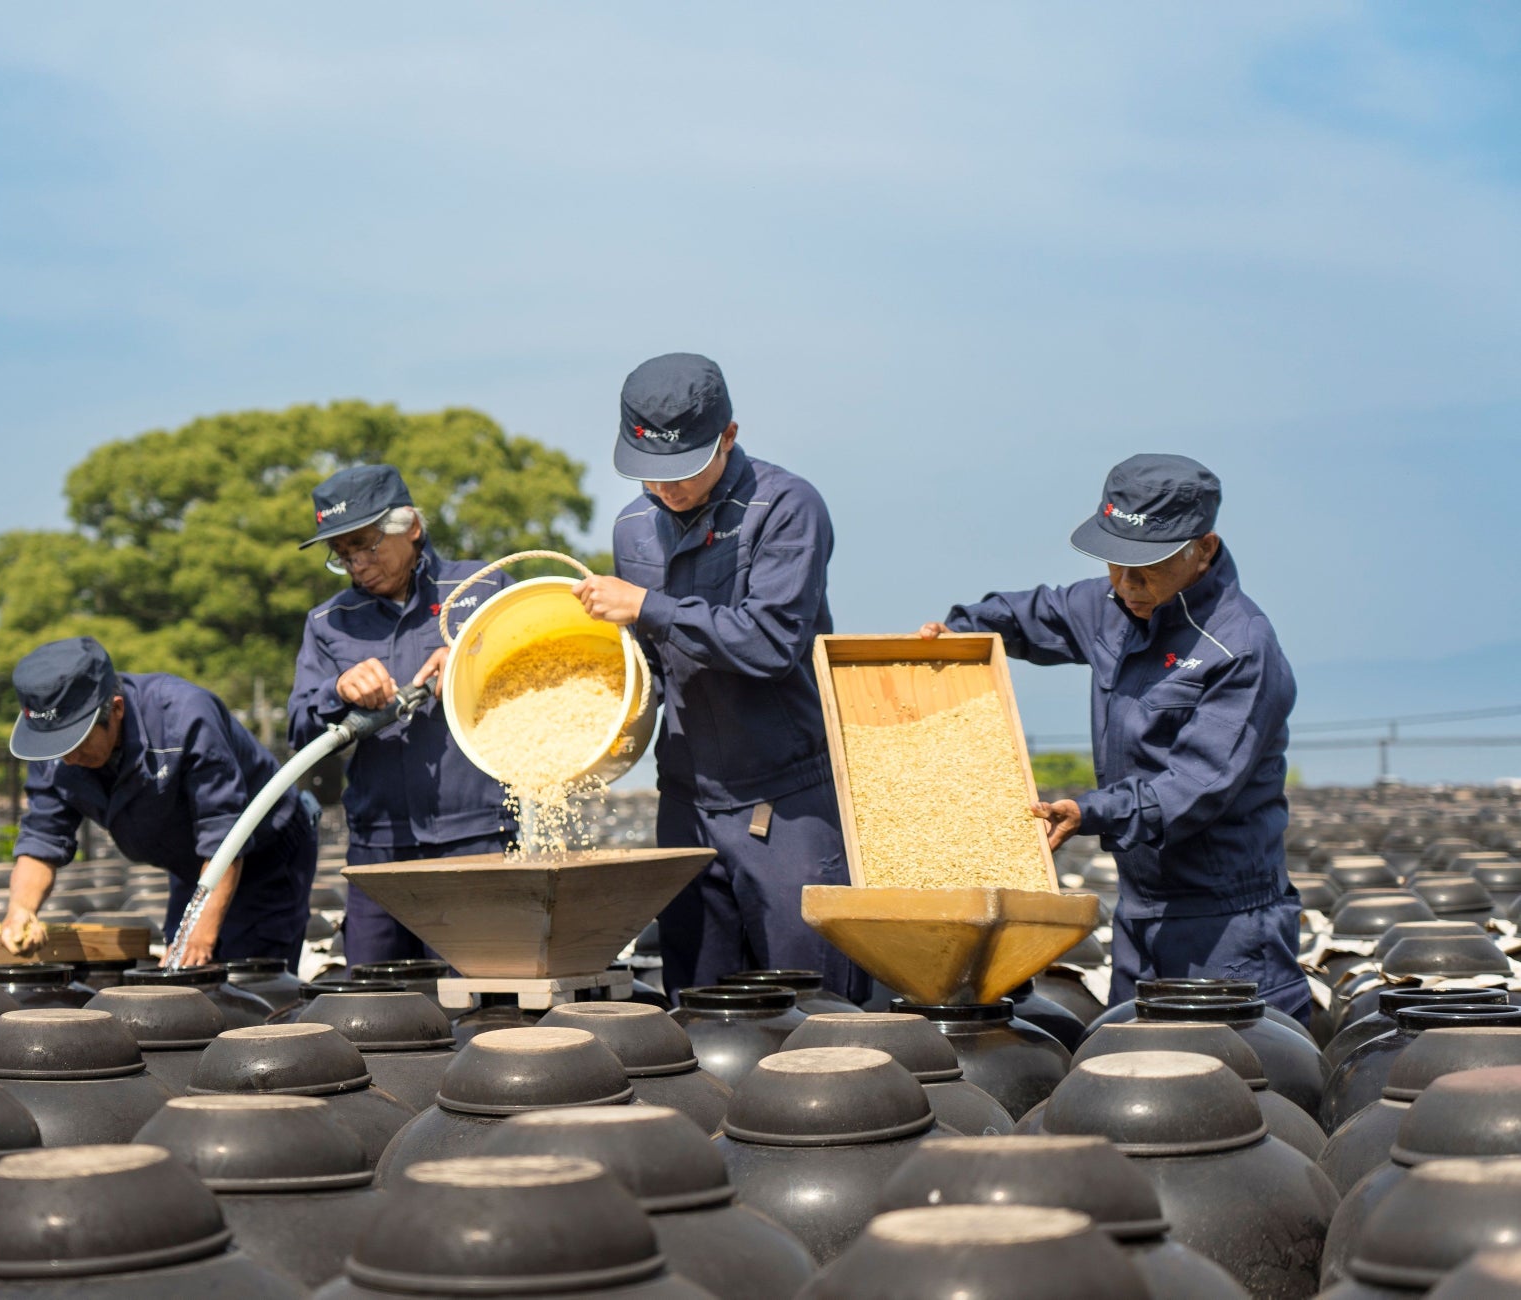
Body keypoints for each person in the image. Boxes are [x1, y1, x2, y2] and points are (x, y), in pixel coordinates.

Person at [920, 453, 1308, 1019]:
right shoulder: (1113, 605)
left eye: (1147, 566)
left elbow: (1194, 789)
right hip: (1139, 910)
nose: (1127, 584)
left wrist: (1089, 811)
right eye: (1114, 563)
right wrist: (957, 630)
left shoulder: (1240, 647)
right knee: (1131, 1072)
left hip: (1226, 925)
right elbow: (1034, 615)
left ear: (1204, 549)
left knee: (1231, 1082)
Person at [572, 352, 865, 999]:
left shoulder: (785, 508)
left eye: (682, 470)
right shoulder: (632, 530)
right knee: (698, 1008)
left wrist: (647, 606)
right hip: (684, 801)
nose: (665, 488)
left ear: (729, 436)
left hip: (785, 798)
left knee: (811, 1002)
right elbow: (649, 661)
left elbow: (769, 643)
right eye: (650, 473)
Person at [288, 463, 513, 964]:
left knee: (481, 996)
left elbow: (537, 676)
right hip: (378, 849)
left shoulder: (481, 590)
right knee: (375, 1001)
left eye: (367, 545)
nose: (358, 565)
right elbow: (298, 730)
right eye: (342, 555)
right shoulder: (328, 623)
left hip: (478, 837)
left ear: (410, 526)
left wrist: (474, 660)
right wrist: (337, 689)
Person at [2, 635, 317, 969]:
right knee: (181, 971)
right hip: (192, 863)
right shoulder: (53, 750)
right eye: (57, 746)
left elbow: (224, 837)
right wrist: (22, 908)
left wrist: (199, 938)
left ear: (117, 710)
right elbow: (42, 839)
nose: (67, 758)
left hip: (264, 853)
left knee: (247, 977)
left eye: (76, 743)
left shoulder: (185, 718)